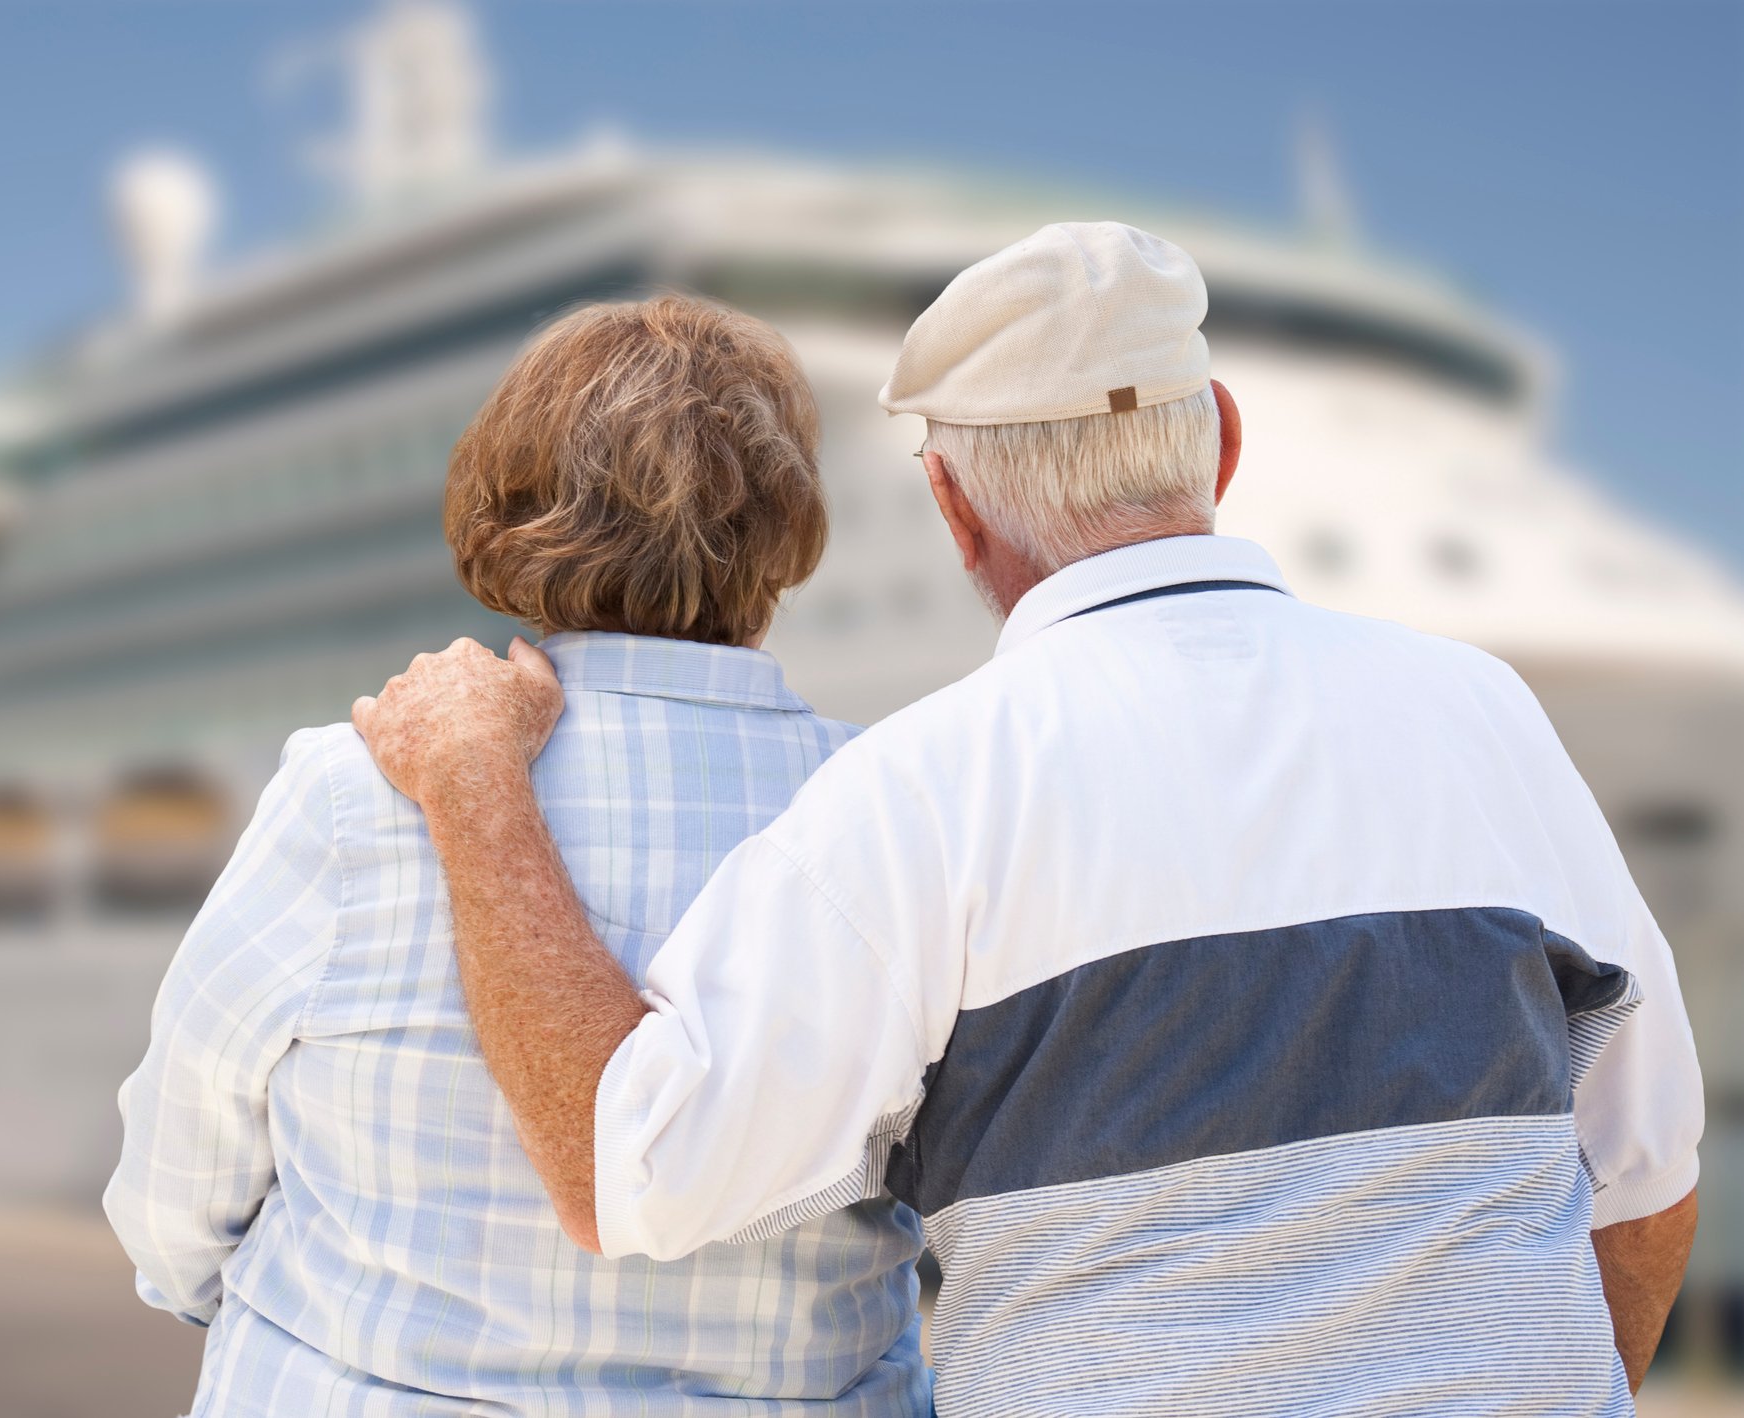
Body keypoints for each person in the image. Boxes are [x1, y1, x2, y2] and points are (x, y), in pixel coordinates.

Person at [350, 222, 1704, 1416]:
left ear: (946, 507)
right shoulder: (1479, 710)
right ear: (1220, 439)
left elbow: (624, 1169)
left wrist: (474, 784)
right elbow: (1641, 1179)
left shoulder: (923, 789)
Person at [105, 296, 930, 1416]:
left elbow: (183, 1155)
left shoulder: (355, 790)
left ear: (510, 502)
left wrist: (245, 1311)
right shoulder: (894, 810)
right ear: (787, 523)